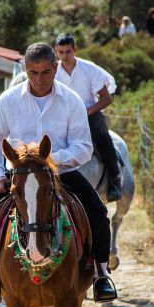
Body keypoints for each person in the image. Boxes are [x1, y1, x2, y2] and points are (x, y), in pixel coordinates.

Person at [0, 42, 118, 305]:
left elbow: (83, 147)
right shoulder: (8, 100)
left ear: (56, 68)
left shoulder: (72, 101)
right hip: (19, 177)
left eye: (46, 72)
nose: (39, 79)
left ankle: (101, 273)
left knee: (98, 212)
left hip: (61, 174)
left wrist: (48, 161)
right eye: (33, 72)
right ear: (25, 69)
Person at [54, 33, 122, 202]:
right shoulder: (52, 70)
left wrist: (86, 112)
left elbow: (107, 98)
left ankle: (114, 181)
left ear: (75, 49)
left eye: (68, 51)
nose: (64, 56)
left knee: (103, 137)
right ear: (56, 51)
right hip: (61, 117)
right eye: (61, 52)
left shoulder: (89, 68)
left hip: (89, 114)